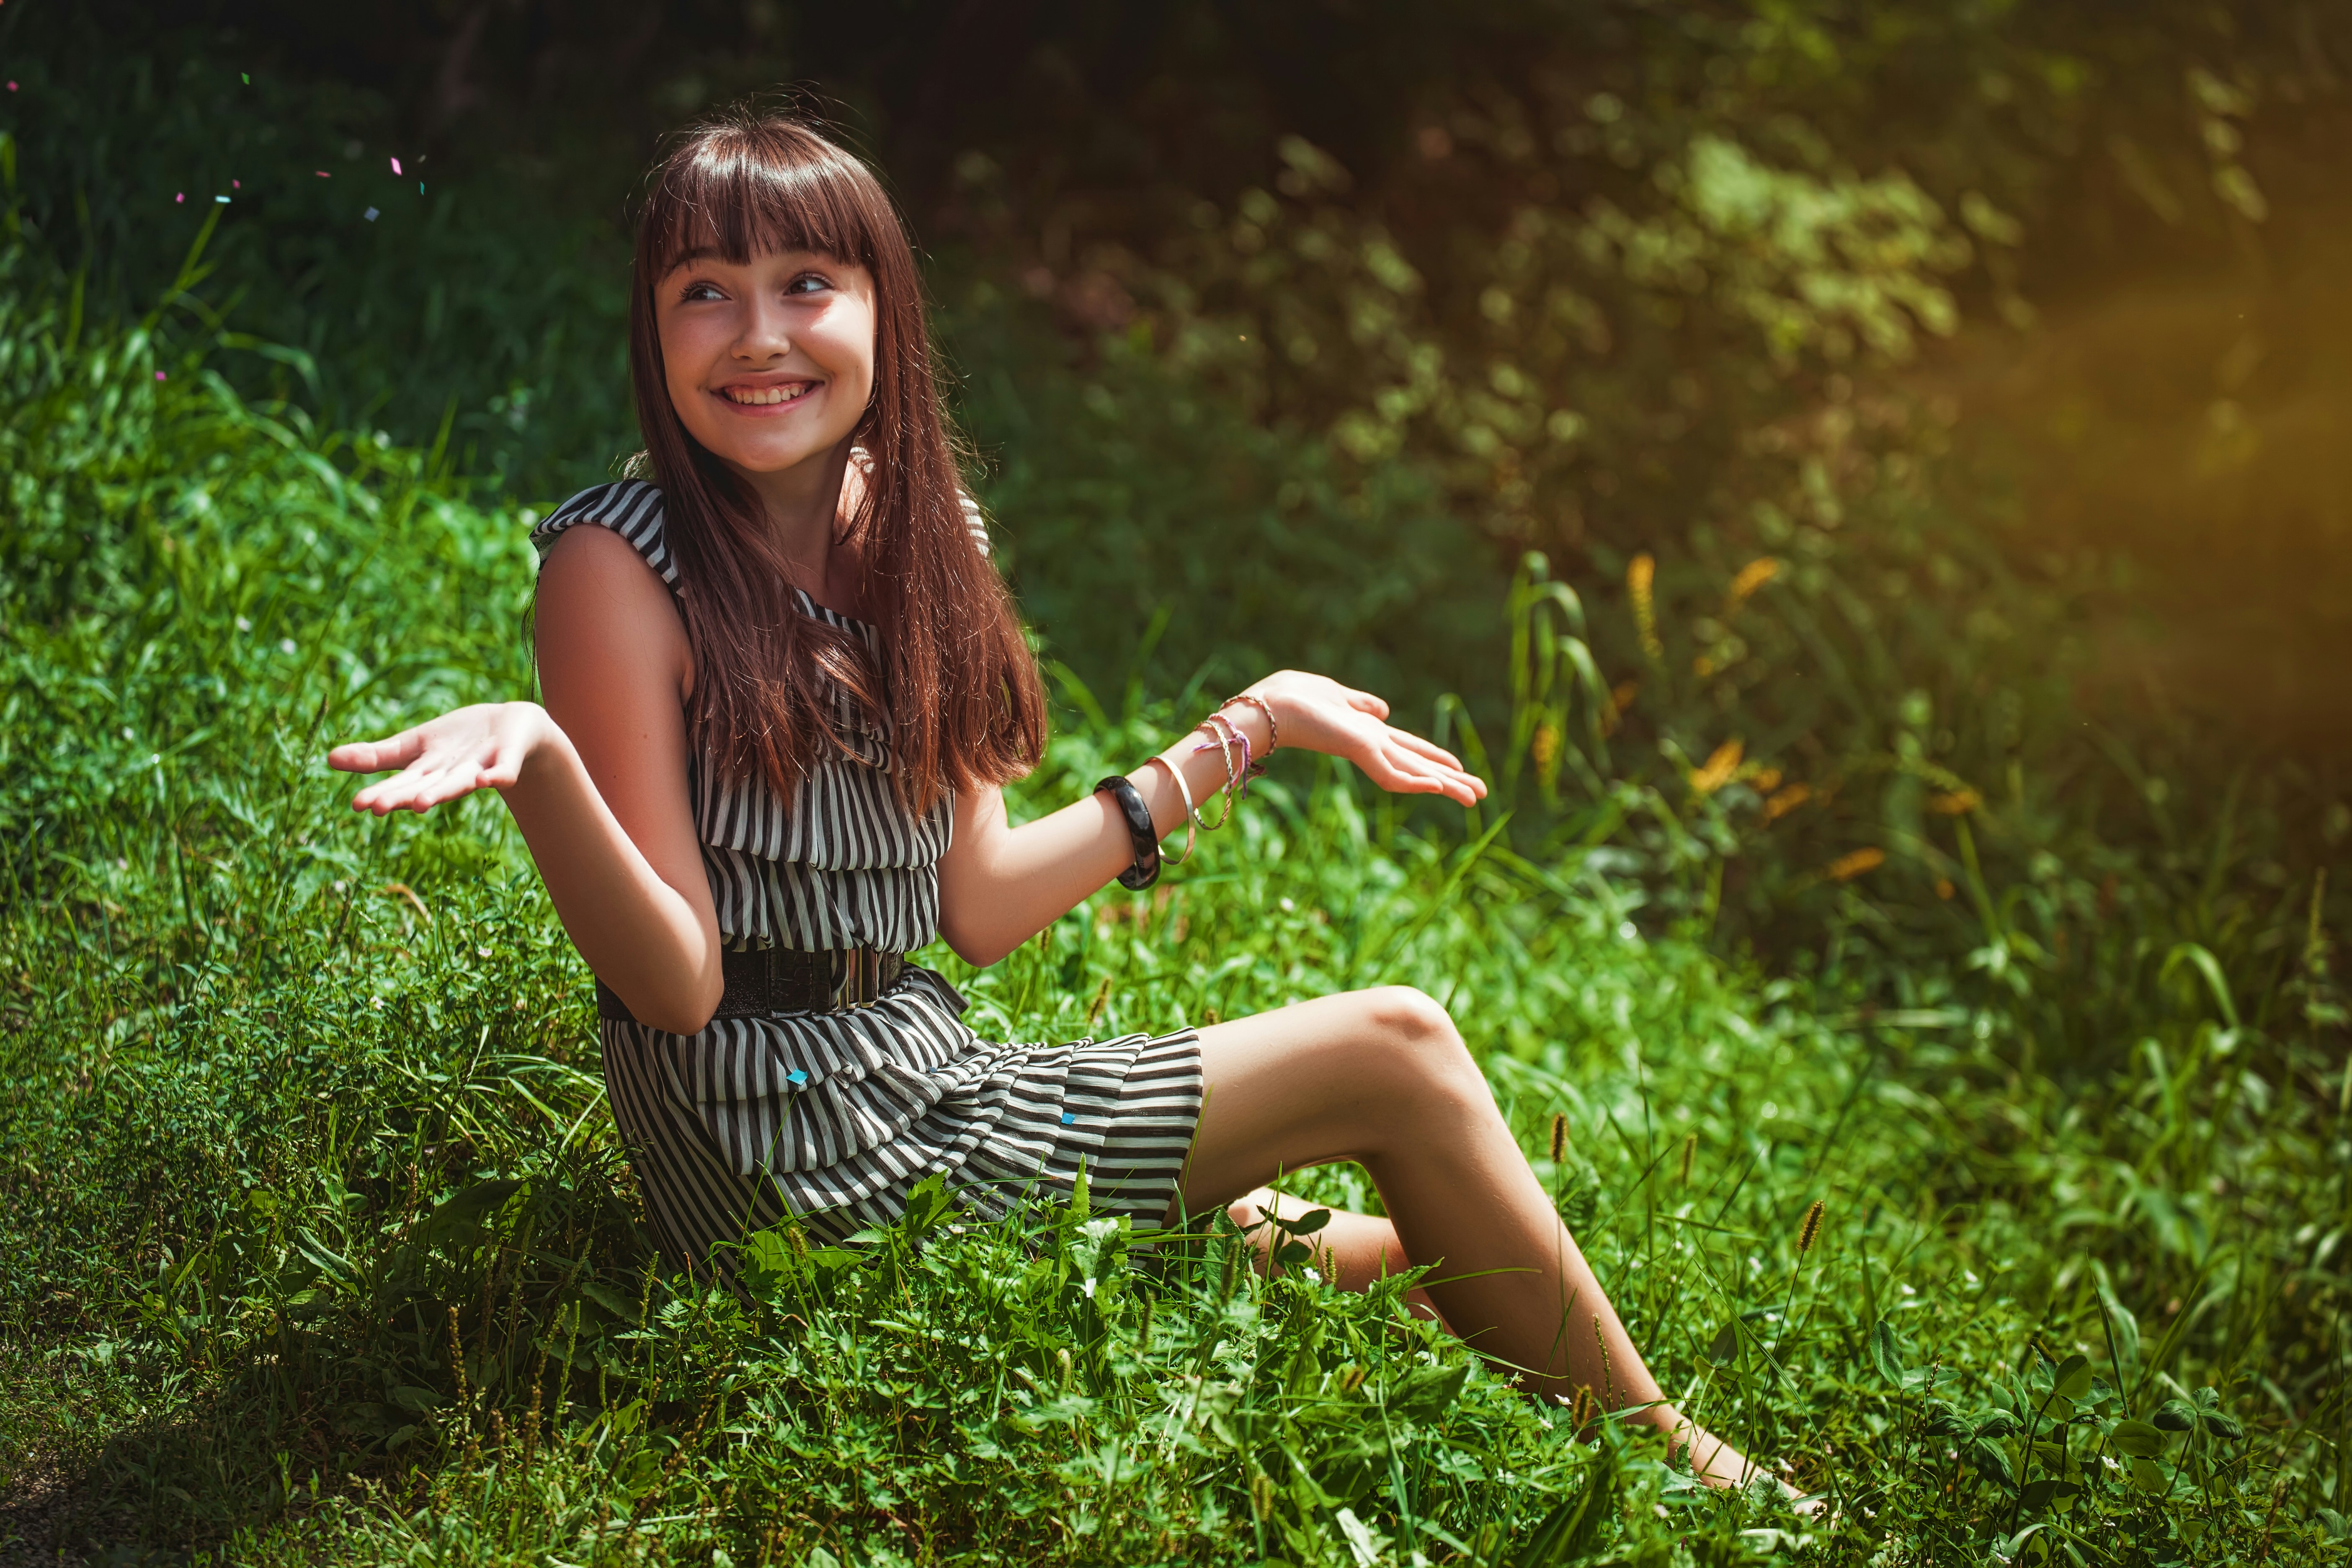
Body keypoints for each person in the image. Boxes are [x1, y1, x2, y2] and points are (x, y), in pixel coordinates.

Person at [328, 110, 1770, 1489]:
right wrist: (542, 765)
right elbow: (679, 985)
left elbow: (981, 905)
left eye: (805, 283)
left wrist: (1249, 728)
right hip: (779, 1145)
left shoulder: (924, 533)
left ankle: (1525, 1396)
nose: (759, 335)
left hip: (920, 1080)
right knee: (1396, 1048)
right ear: (655, 329)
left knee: (1359, 1246)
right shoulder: (616, 566)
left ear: (884, 312)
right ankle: (1680, 1467)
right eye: (705, 290)